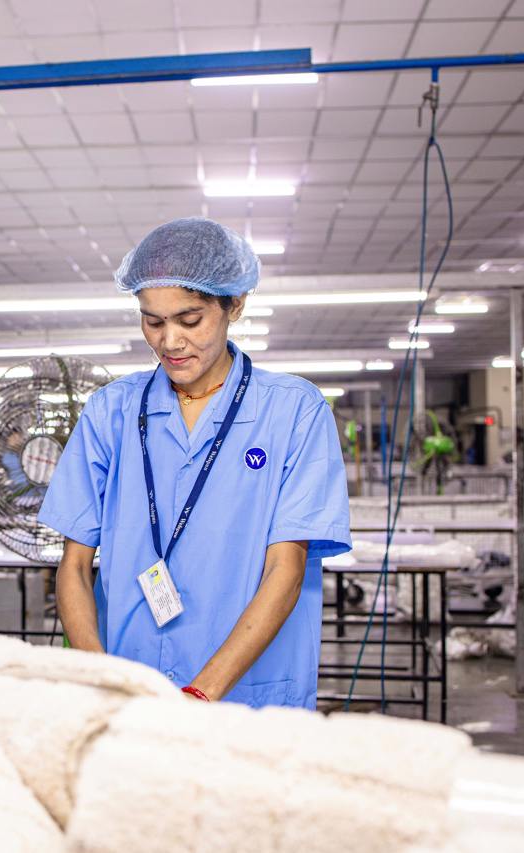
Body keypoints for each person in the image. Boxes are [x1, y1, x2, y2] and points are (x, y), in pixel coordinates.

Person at [38, 218, 351, 710]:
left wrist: (200, 694)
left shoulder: (294, 411)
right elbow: (74, 566)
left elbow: (285, 569)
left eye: (189, 320)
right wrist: (101, 679)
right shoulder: (111, 412)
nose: (170, 342)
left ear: (235, 305)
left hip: (248, 697)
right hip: (130, 690)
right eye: (153, 321)